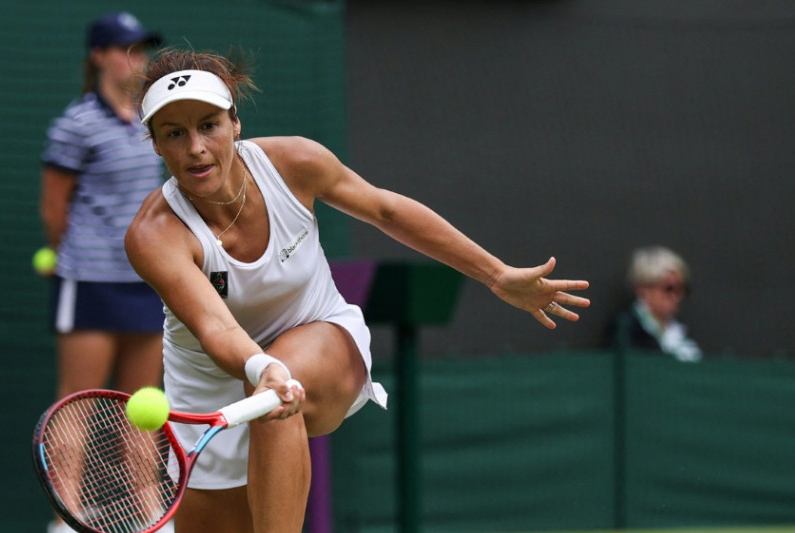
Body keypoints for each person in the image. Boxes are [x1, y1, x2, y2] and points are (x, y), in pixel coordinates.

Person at [126, 49, 591, 533]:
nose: (196, 147)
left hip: (322, 342)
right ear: (157, 145)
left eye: (208, 125)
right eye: (175, 133)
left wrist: (496, 275)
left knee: (277, 386)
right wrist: (262, 369)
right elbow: (215, 325)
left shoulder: (294, 162)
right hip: (208, 393)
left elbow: (386, 210)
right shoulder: (154, 234)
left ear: (235, 123)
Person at [39, 13, 166, 532]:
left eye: (141, 48)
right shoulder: (75, 124)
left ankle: (152, 514)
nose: (135, 58)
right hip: (88, 281)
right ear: (98, 57)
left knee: (144, 409)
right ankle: (66, 520)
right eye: (124, 48)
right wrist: (68, 258)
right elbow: (54, 209)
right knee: (77, 407)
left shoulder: (152, 119)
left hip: (146, 281)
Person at [604, 245, 701, 362]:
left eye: (682, 289)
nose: (677, 296)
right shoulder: (625, 330)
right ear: (642, 289)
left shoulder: (682, 334)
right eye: (669, 288)